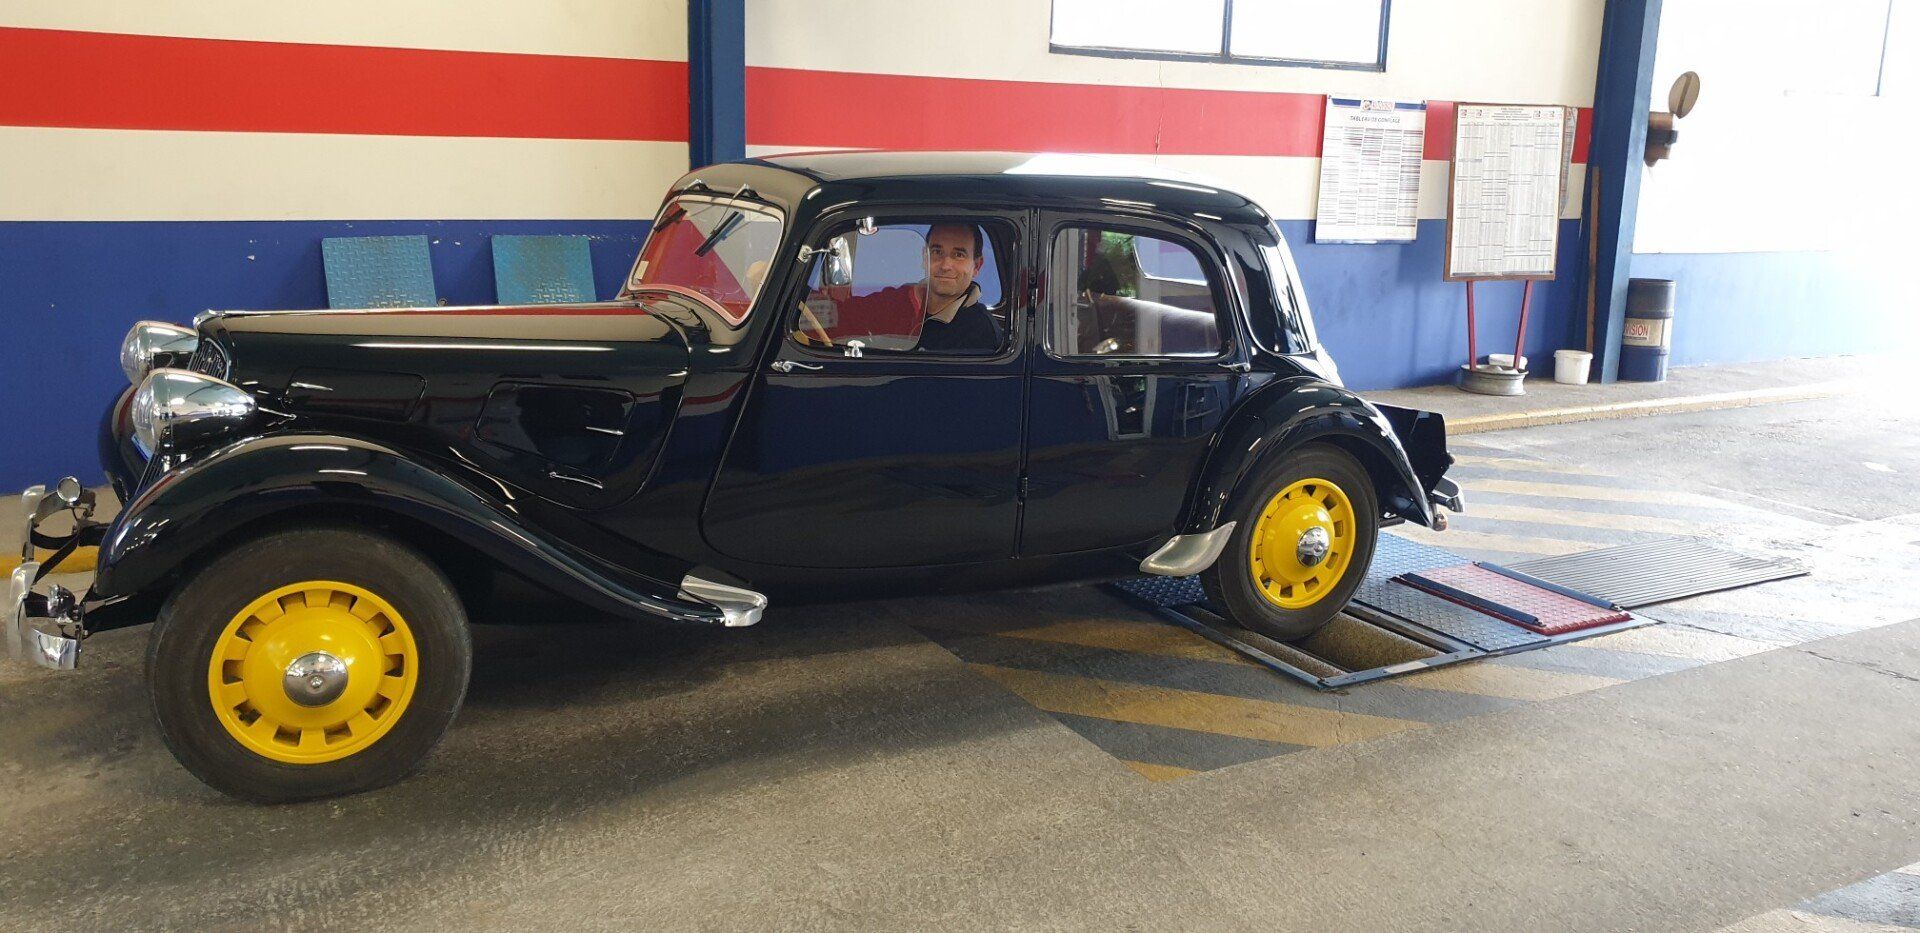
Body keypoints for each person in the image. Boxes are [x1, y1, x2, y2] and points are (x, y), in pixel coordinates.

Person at [802, 222, 1001, 354]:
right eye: (937, 252)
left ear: (977, 266)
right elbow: (844, 315)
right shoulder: (898, 299)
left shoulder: (982, 333)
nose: (946, 265)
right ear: (925, 257)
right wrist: (805, 303)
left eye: (958, 255)